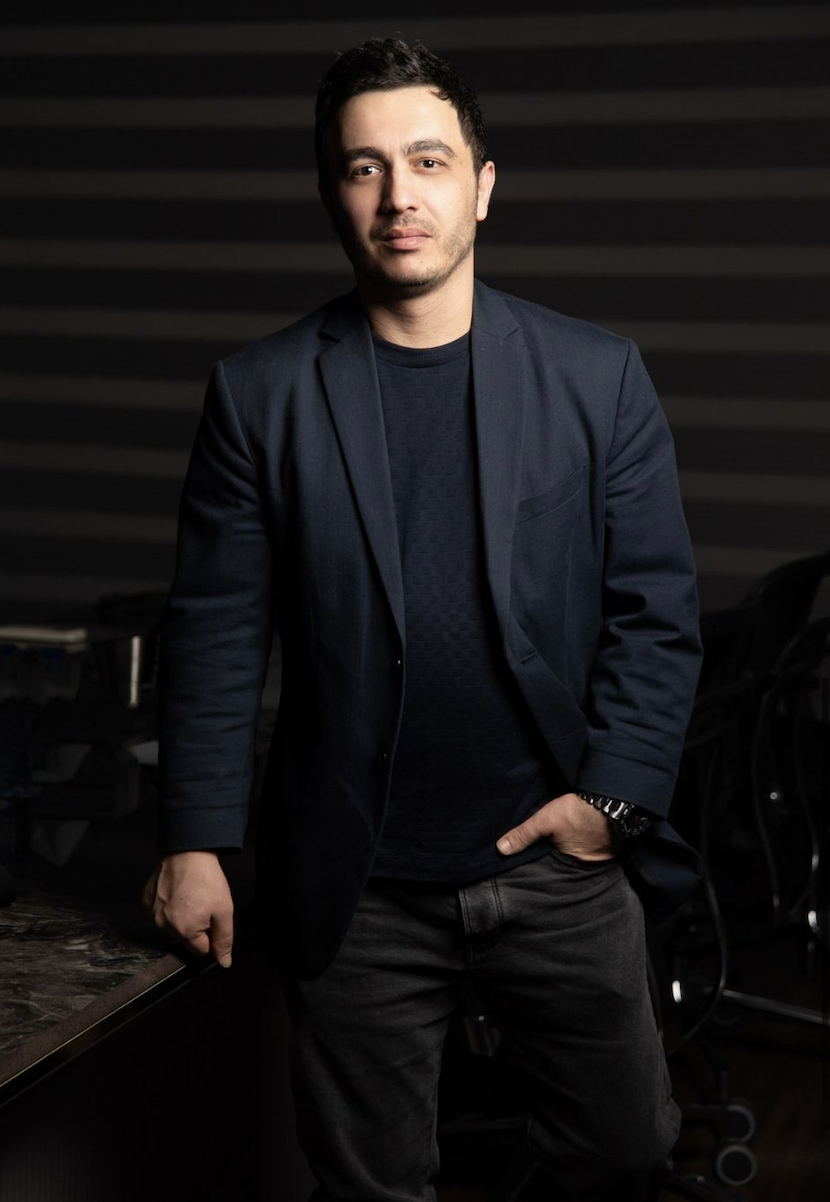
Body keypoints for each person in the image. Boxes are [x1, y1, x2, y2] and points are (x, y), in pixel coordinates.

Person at [144, 37, 703, 1202]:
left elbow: (654, 611)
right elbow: (215, 634)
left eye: (428, 161)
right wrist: (195, 836)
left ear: (481, 186)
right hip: (358, 880)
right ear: (331, 194)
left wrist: (606, 805)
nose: (398, 195)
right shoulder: (259, 394)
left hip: (554, 860)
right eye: (364, 168)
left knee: (624, 1148)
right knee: (370, 1185)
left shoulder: (594, 376)